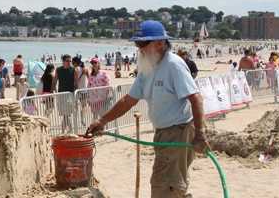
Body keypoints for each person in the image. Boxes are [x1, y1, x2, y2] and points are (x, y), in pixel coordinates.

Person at [87, 20, 207, 197]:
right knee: (166, 183)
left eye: (143, 44)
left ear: (160, 43)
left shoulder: (173, 64)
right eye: (137, 44)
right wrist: (102, 120)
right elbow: (129, 100)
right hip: (162, 133)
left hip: (179, 131)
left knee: (167, 185)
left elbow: (195, 98)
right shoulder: (147, 67)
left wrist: (200, 134)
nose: (139, 48)